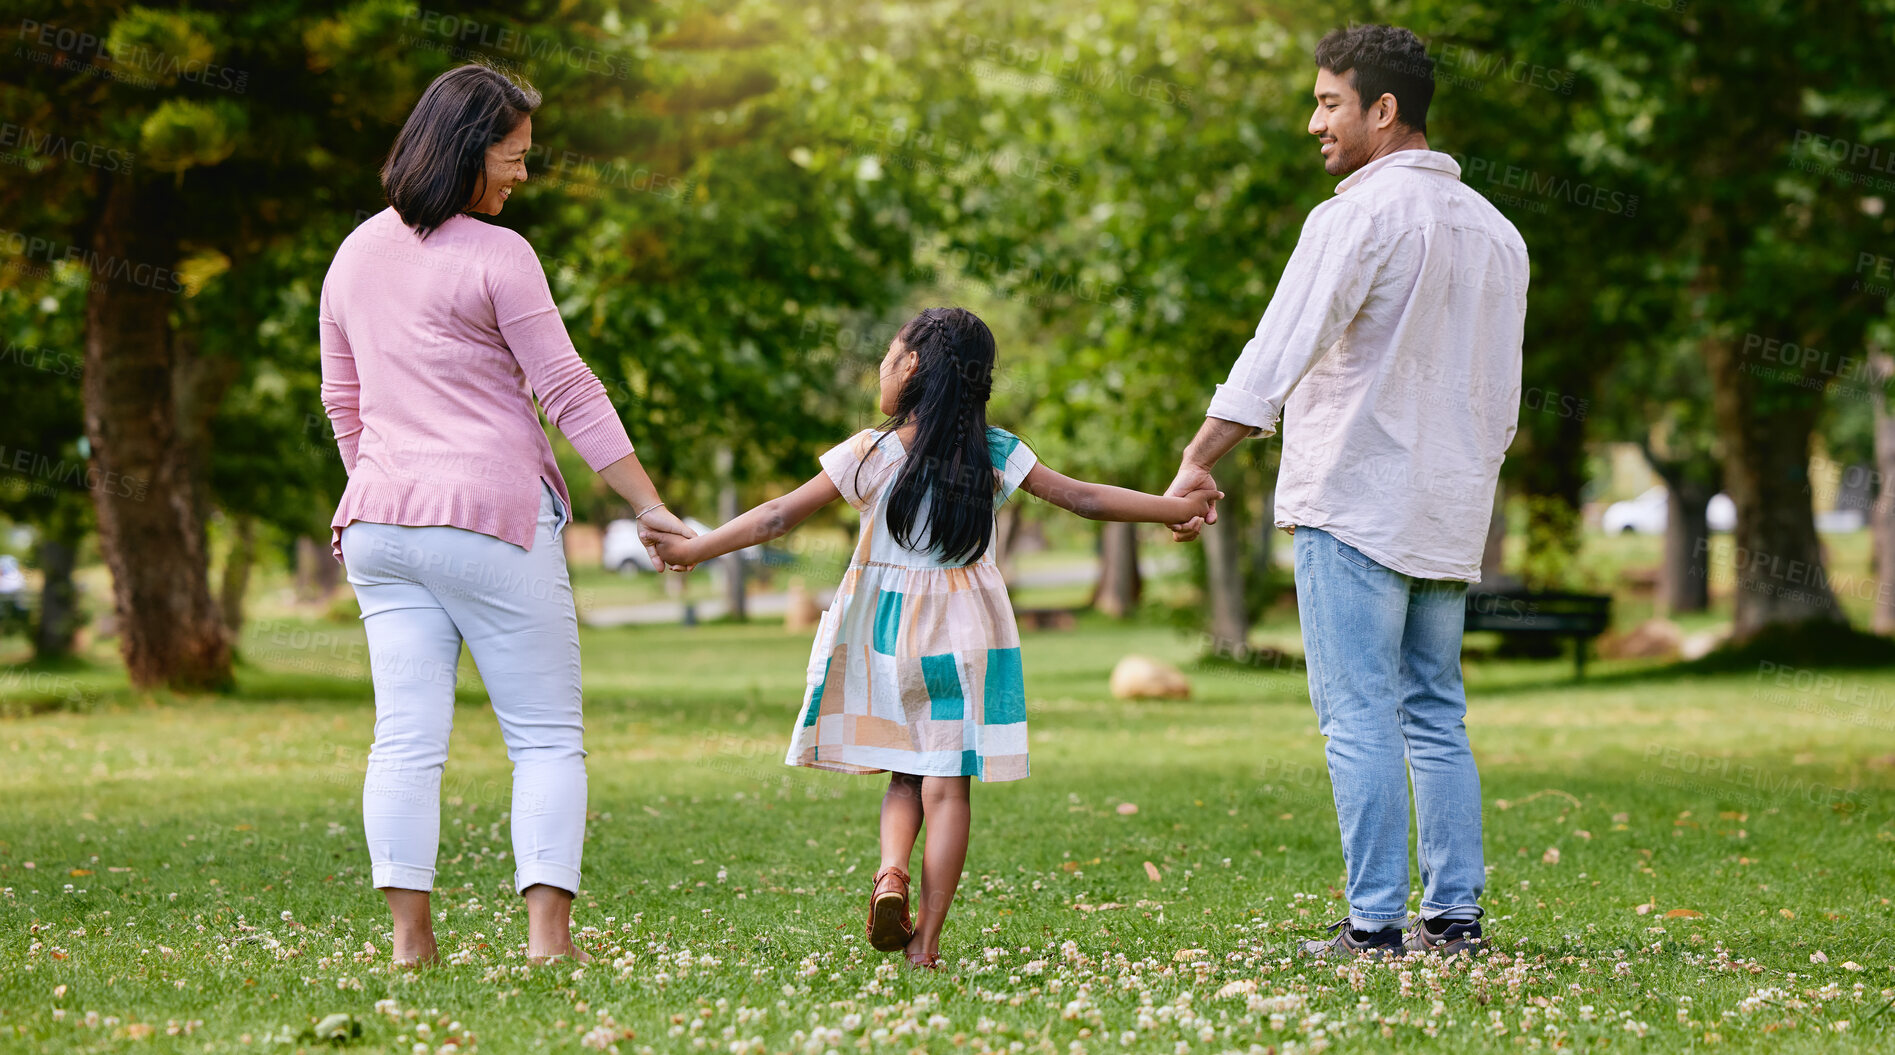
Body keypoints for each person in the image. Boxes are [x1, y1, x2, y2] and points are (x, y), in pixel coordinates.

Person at [652, 307, 1219, 968]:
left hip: (886, 634)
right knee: (947, 784)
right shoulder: (996, 451)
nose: (882, 370)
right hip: (966, 634)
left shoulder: (871, 450)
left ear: (912, 366)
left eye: (888, 358)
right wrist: (1176, 507)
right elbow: (1084, 499)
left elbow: (778, 515)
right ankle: (926, 941)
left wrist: (696, 547)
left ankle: (890, 871)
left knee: (902, 770)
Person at [1164, 25, 1529, 959]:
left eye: (1329, 103)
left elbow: (1275, 352)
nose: (1313, 122)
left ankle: (1372, 924)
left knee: (1357, 714)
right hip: (1446, 511)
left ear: (1382, 109)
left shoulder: (1354, 218)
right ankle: (1454, 919)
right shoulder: (1499, 233)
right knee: (1436, 712)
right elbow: (1503, 399)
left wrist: (1201, 456)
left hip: (1352, 499)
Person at [318, 64, 695, 967]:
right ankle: (546, 945)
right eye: (513, 156)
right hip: (490, 519)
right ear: (462, 151)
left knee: (404, 741)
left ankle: (412, 946)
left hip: (378, 524)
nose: (523, 174)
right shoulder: (500, 255)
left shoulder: (353, 251)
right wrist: (648, 506)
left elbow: (344, 402)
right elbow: (566, 388)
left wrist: (386, 485)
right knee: (546, 737)